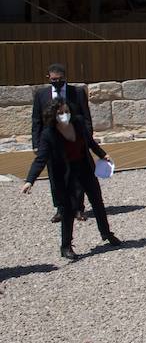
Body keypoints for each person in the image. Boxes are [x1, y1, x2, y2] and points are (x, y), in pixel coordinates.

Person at [21, 99, 121, 260]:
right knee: (67, 209)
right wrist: (29, 180)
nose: (64, 115)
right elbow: (41, 159)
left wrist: (103, 154)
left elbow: (90, 143)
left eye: (66, 111)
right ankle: (66, 246)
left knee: (97, 201)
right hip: (65, 175)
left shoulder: (78, 123)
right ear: (53, 116)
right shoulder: (48, 134)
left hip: (85, 168)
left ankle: (107, 233)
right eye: (60, 113)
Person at [30, 63, 92, 223]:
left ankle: (78, 208)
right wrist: (36, 143)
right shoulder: (41, 95)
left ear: (65, 78)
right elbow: (36, 120)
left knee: (77, 175)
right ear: (48, 78)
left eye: (59, 79)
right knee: (55, 175)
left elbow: (86, 116)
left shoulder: (76, 92)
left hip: (73, 139)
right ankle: (61, 208)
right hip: (52, 142)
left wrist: (87, 138)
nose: (56, 82)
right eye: (53, 79)